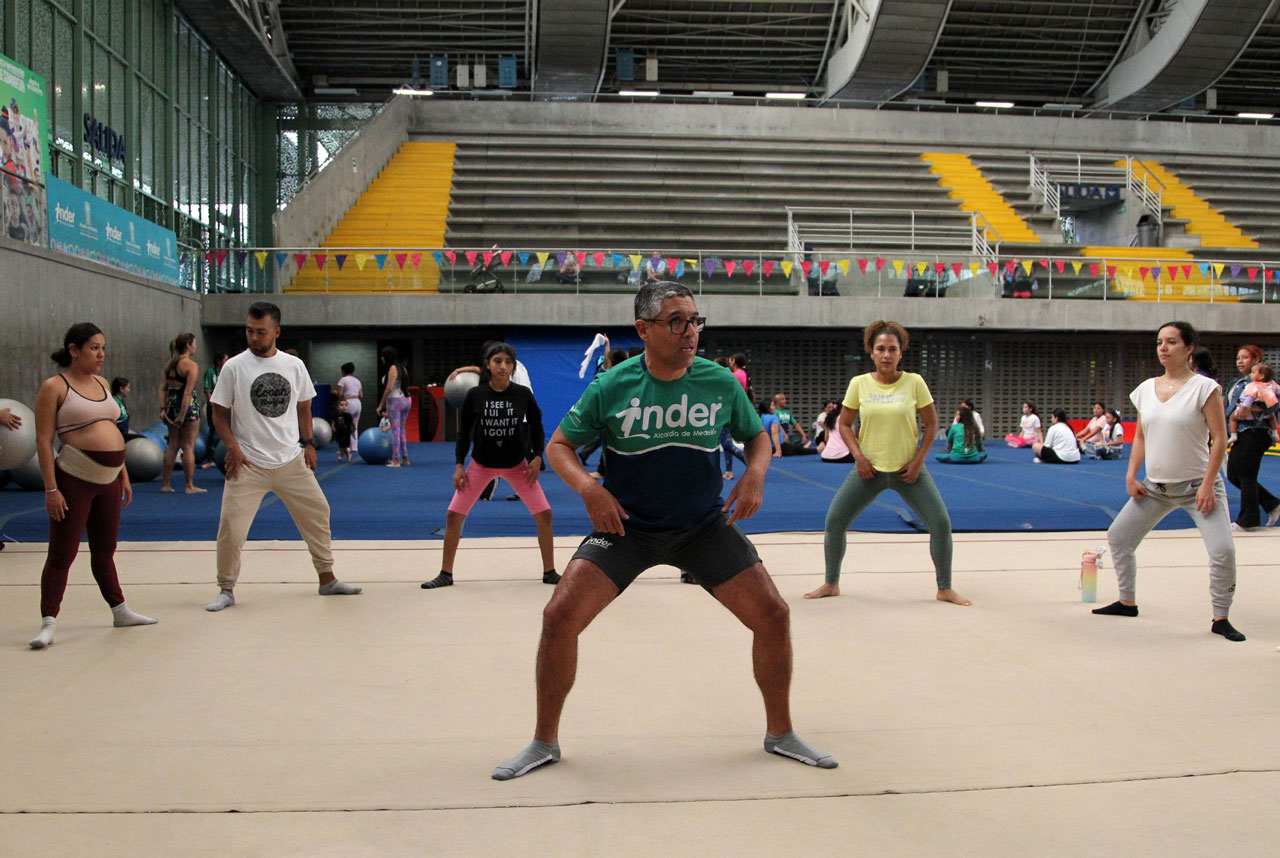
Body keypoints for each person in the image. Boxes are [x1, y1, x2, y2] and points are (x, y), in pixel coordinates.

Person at [491, 282, 836, 780]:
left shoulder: (718, 382)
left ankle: (780, 732)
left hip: (701, 526)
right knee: (559, 615)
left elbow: (757, 436)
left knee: (774, 615)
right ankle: (543, 741)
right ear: (644, 330)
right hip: (626, 526)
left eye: (695, 320)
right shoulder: (613, 385)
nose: (690, 331)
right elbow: (561, 446)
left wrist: (755, 473)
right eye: (677, 321)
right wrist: (590, 489)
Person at [204, 302, 362, 612]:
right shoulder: (234, 367)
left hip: (290, 458)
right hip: (248, 462)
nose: (254, 337)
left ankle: (327, 579)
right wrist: (233, 447)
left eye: (260, 332)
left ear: (275, 332)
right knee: (232, 526)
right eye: (249, 331)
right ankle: (226, 588)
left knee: (318, 513)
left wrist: (309, 443)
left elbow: (305, 407)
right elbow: (218, 414)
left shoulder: (293, 365)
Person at [1092, 321, 1244, 642]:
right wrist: (1131, 475)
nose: (1163, 347)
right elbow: (1142, 437)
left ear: (1188, 349)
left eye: (1171, 342)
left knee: (1222, 551)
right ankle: (1126, 601)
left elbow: (1219, 439)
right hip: (1155, 488)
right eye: (1160, 342)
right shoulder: (1146, 389)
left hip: (1198, 489)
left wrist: (1207, 484)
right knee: (1119, 537)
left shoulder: (1205, 388)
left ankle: (1221, 617)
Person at [805, 320, 969, 606]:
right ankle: (831, 582)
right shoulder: (859, 384)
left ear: (901, 352)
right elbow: (844, 424)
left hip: (909, 471)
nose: (886, 355)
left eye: (892, 349)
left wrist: (919, 461)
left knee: (941, 524)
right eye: (880, 348)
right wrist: (858, 457)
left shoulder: (915, 382)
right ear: (871, 351)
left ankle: (945, 587)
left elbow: (931, 425)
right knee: (834, 521)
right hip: (869, 470)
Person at [29, 323, 156, 649]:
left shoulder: (101, 383)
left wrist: (123, 472)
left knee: (105, 552)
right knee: (62, 553)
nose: (101, 355)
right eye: (94, 348)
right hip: (74, 480)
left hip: (108, 482)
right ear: (73, 349)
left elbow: (113, 431)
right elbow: (44, 440)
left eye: (103, 348)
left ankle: (119, 609)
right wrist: (51, 488)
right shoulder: (54, 387)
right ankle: (48, 621)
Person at [422, 342, 558, 590]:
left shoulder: (522, 395)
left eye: (508, 362)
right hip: (480, 465)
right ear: (487, 364)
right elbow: (464, 433)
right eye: (497, 361)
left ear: (513, 366)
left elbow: (538, 427)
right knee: (453, 515)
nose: (503, 366)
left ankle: (549, 571)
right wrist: (458, 465)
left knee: (545, 515)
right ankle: (445, 573)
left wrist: (538, 457)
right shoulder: (476, 395)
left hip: (518, 466)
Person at [1224, 344, 1280, 531]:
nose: (1240, 361)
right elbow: (1229, 406)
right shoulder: (1237, 383)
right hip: (1239, 431)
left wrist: (1256, 409)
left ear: (1256, 360)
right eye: (1238, 357)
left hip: (1255, 431)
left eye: (1245, 357)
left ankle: (1248, 519)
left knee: (1247, 474)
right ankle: (1272, 504)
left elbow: (1273, 405)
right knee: (1233, 474)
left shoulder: (1267, 384)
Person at [159, 332, 205, 494]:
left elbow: (162, 388)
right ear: (188, 345)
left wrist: (163, 409)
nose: (196, 346)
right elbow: (187, 392)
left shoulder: (169, 365)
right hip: (186, 406)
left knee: (172, 444)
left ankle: (165, 484)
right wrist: (182, 415)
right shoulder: (191, 366)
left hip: (171, 403)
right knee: (188, 446)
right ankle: (189, 485)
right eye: (194, 343)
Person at [376, 346, 411, 467]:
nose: (381, 358)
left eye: (383, 356)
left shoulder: (392, 368)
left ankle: (396, 459)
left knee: (395, 431)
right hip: (406, 399)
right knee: (401, 429)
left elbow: (389, 388)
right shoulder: (402, 368)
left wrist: (381, 406)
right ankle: (405, 458)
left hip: (396, 400)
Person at [1228, 361, 1279, 444]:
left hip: (1248, 413)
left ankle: (1233, 435)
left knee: (1232, 418)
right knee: (1272, 417)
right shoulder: (1272, 384)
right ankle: (1274, 432)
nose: (1251, 374)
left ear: (1261, 376)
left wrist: (1244, 409)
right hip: (1266, 413)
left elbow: (1249, 399)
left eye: (1253, 372)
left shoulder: (1253, 386)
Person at [199, 352, 227, 468]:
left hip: (225, 406)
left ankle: (221, 456)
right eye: (225, 359)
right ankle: (210, 458)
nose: (227, 361)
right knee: (214, 431)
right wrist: (213, 403)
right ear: (219, 360)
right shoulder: (210, 372)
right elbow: (207, 389)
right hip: (215, 406)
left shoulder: (226, 371)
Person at [336, 362, 362, 457]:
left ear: (343, 371)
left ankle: (345, 447)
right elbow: (361, 394)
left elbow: (339, 394)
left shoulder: (343, 380)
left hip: (348, 402)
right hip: (357, 402)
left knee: (345, 426)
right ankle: (354, 447)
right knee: (355, 424)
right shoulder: (357, 380)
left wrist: (335, 392)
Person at [332, 398, 355, 462]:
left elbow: (352, 423)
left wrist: (353, 430)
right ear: (338, 407)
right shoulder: (335, 415)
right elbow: (333, 423)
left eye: (345, 405)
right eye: (342, 405)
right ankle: (348, 454)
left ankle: (341, 456)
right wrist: (333, 427)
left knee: (344, 444)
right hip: (339, 432)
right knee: (341, 444)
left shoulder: (348, 415)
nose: (344, 407)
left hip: (346, 432)